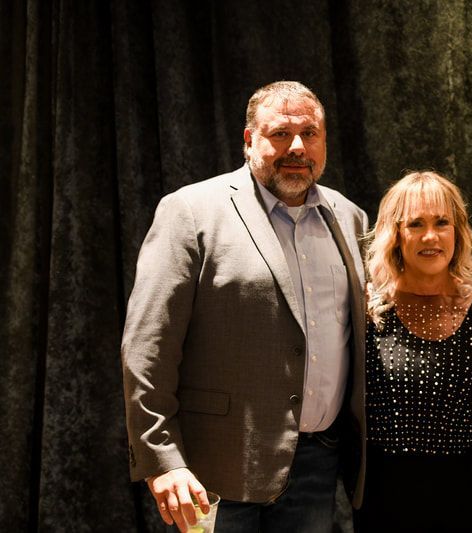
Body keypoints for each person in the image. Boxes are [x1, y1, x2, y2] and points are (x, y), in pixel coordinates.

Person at [121, 81, 368, 532]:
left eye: (310, 134)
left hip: (317, 465)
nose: (297, 147)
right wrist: (162, 457)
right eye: (279, 134)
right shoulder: (190, 211)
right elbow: (148, 346)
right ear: (249, 139)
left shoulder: (350, 218)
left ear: (325, 141)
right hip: (212, 468)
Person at [355, 171, 472, 533]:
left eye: (442, 222)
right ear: (395, 235)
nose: (431, 236)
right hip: (386, 500)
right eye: (416, 224)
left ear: (458, 231)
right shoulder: (365, 308)